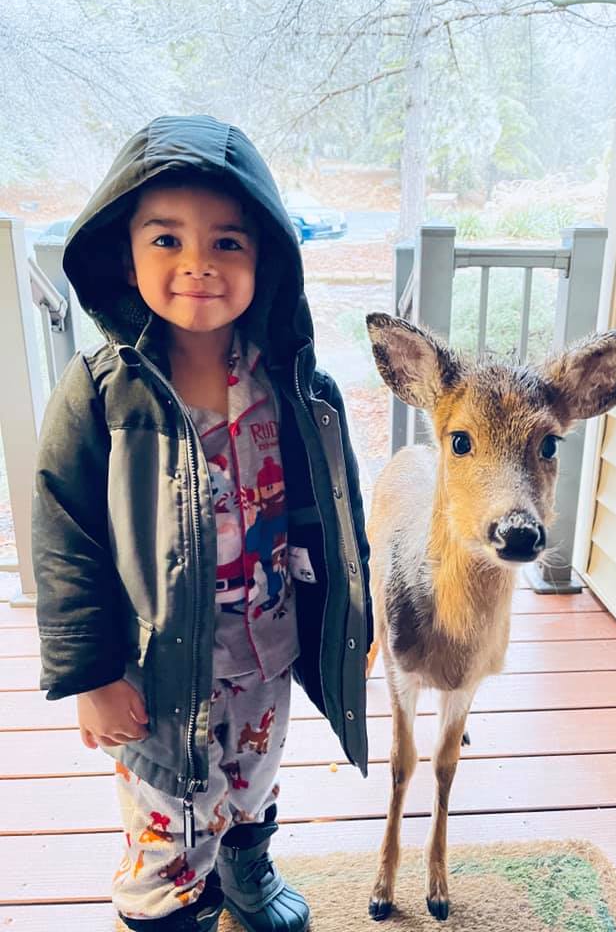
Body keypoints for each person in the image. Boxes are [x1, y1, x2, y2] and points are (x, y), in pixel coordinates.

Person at [32, 114, 372, 932]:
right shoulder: (102, 393)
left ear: (267, 259)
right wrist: (91, 674)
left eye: (226, 242)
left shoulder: (296, 386)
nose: (196, 265)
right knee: (171, 818)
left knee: (253, 778)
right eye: (166, 240)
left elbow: (337, 515)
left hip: (268, 643)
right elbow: (61, 538)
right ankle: (170, 911)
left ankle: (248, 869)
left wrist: (355, 619)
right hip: (153, 669)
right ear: (126, 254)